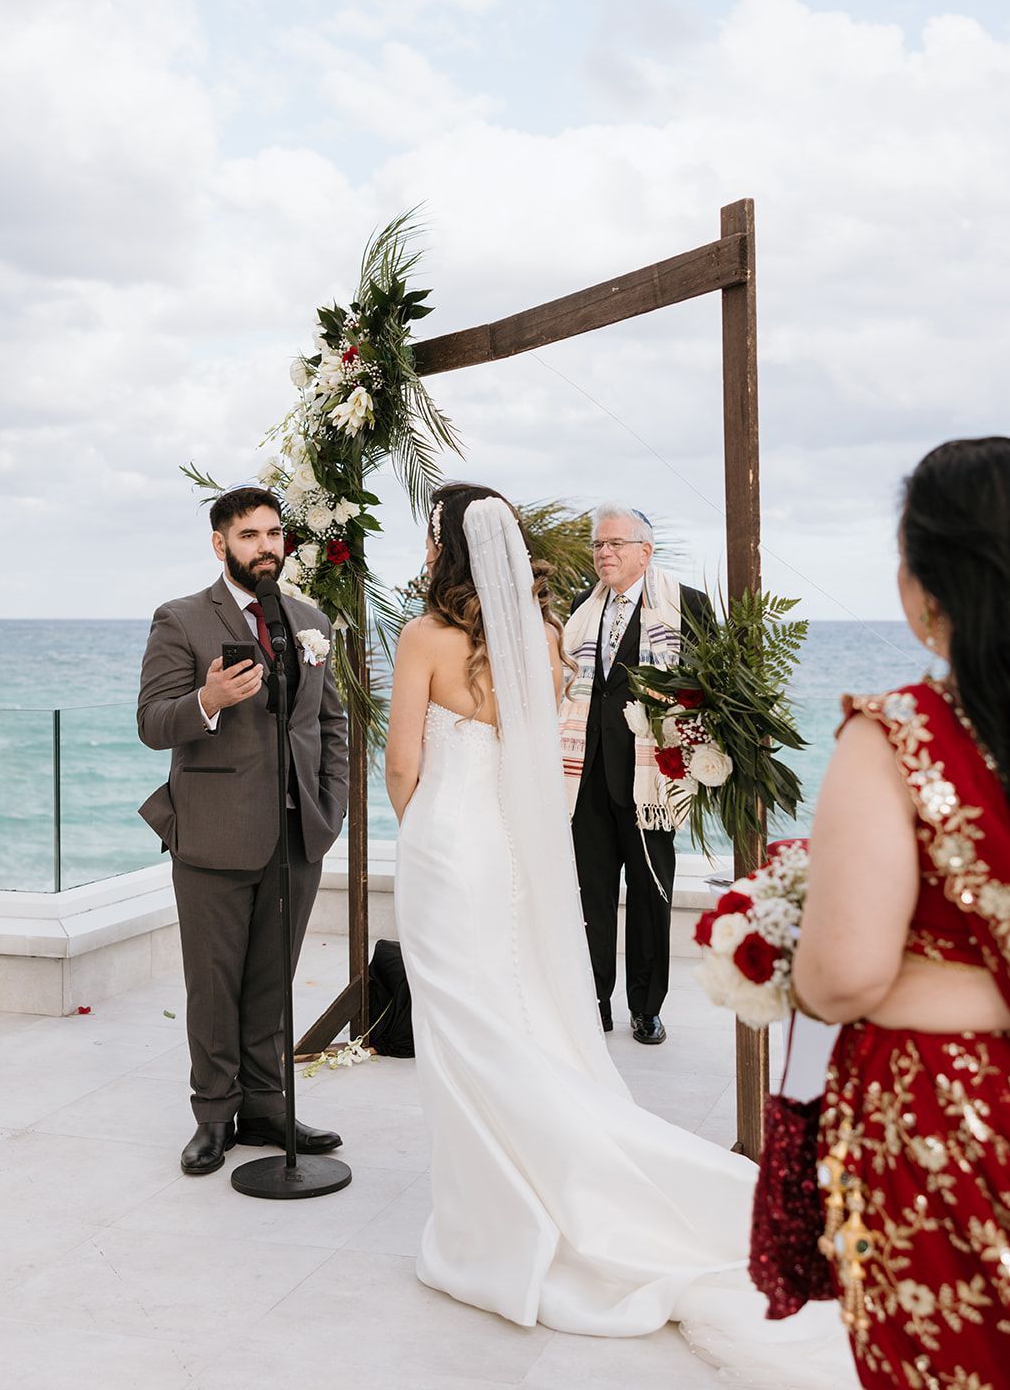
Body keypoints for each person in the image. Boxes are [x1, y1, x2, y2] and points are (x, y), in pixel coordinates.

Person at [386, 482, 852, 1381]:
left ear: (442, 544)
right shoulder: (548, 635)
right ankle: (519, 1191)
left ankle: (492, 1219)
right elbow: (531, 752)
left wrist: (425, 825)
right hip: (517, 847)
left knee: (463, 1026)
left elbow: (403, 760)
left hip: (450, 842)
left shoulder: (423, 637)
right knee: (508, 1011)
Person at [793, 436, 1010, 1388]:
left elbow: (843, 976)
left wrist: (790, 945)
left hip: (949, 1123)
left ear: (925, 588)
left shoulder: (899, 737)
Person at [137, 485, 349, 1176]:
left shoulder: (310, 619)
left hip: (297, 837)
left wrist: (330, 806)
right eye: (250, 535)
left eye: (273, 533)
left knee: (272, 982)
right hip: (212, 833)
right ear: (219, 543)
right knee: (214, 981)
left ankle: (267, 1106)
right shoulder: (181, 619)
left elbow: (330, 723)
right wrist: (207, 700)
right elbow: (150, 722)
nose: (265, 546)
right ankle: (212, 1116)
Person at [561, 505, 712, 1045]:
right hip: (587, 775)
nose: (604, 553)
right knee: (590, 893)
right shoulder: (583, 607)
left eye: (616, 544)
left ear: (645, 552)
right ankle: (594, 1001)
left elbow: (705, 694)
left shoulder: (686, 606)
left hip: (653, 778)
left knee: (651, 896)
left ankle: (646, 1009)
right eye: (599, 544)